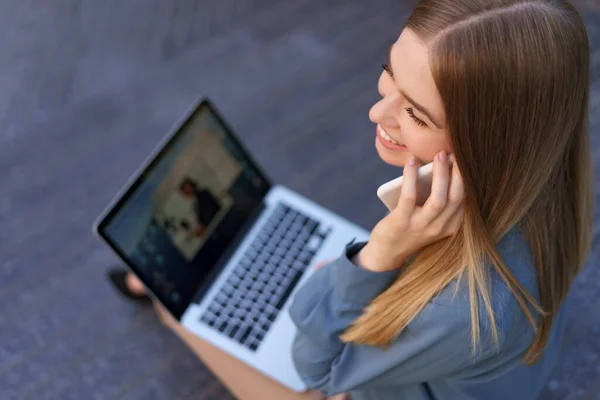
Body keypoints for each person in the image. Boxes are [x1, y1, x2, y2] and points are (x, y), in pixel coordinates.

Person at [108, 0, 593, 399]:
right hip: (501, 374)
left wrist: (379, 251)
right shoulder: (544, 171)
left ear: (490, 144)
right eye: (389, 73)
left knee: (190, 309)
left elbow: (318, 369)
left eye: (417, 115)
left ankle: (166, 306)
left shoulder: (464, 307)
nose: (377, 111)